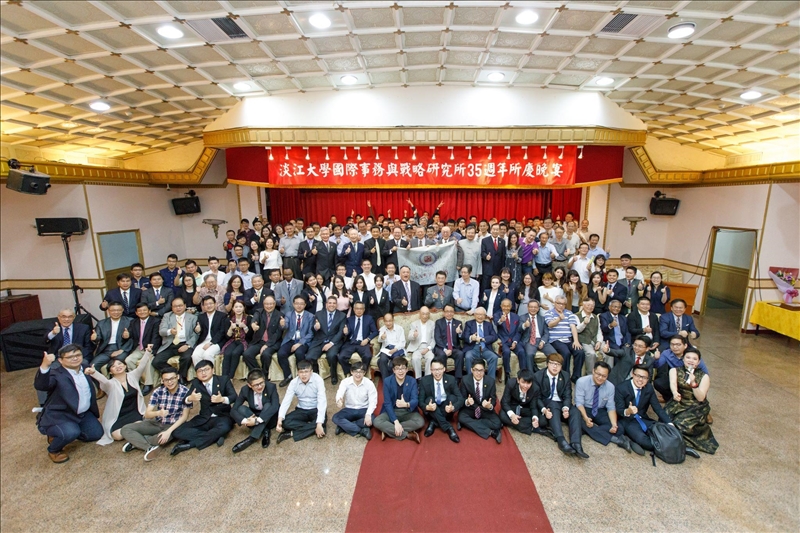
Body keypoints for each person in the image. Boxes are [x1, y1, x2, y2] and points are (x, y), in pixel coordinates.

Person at [35, 346, 103, 463]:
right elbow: (41, 386)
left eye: (78, 355)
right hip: (61, 415)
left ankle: (66, 432)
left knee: (96, 434)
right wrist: (45, 366)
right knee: (70, 433)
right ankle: (54, 449)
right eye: (70, 357)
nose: (75, 358)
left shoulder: (85, 367)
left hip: (82, 413)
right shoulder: (56, 374)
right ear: (60, 360)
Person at [119, 367, 191, 461]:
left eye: (172, 378)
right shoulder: (158, 391)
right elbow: (147, 414)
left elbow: (184, 417)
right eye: (166, 380)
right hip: (156, 422)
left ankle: (136, 441)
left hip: (173, 426)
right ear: (162, 380)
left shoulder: (185, 392)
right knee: (125, 429)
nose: (169, 382)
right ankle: (148, 447)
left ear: (177, 377)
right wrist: (158, 413)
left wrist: (168, 431)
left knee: (160, 439)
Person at [85, 349, 153, 445]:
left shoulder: (133, 376)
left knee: (140, 425)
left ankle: (132, 439)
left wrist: (147, 352)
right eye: (113, 366)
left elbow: (142, 366)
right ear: (110, 372)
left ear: (125, 366)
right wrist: (94, 373)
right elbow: (104, 381)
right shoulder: (110, 384)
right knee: (117, 436)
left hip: (134, 412)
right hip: (118, 416)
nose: (117, 367)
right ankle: (134, 435)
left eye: (120, 364)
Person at [170, 360, 237, 455]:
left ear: (213, 370)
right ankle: (215, 436)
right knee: (177, 431)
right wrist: (190, 398)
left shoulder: (223, 379)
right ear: (196, 374)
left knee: (224, 427)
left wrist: (222, 399)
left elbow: (234, 397)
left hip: (222, 416)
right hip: (204, 417)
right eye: (200, 371)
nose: (203, 373)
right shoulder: (196, 383)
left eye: (206, 369)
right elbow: (184, 400)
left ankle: (190, 444)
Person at [665, 348, 718, 454]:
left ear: (698, 362)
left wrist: (693, 383)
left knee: (680, 425)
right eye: (688, 357)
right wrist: (675, 393)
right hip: (679, 402)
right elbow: (673, 384)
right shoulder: (674, 370)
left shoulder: (704, 376)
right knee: (666, 421)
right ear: (683, 359)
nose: (691, 360)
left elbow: (700, 398)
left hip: (695, 405)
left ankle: (682, 445)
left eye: (694, 359)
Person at [575, 361, 634, 454]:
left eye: (604, 376)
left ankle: (591, 430)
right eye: (598, 374)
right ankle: (616, 440)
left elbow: (611, 407)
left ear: (607, 376)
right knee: (577, 420)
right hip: (584, 408)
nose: (600, 378)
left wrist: (614, 424)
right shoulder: (581, 381)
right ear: (593, 371)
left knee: (619, 428)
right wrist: (586, 418)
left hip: (599, 410)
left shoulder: (610, 387)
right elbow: (579, 403)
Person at [533, 354, 585, 456]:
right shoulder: (538, 376)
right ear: (547, 364)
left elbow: (567, 395)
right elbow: (537, 397)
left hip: (561, 403)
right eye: (552, 363)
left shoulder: (565, 376)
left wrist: (566, 408)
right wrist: (544, 410)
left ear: (561, 366)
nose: (555, 366)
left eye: (558, 364)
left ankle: (576, 443)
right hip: (548, 403)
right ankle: (561, 440)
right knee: (553, 405)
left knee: (575, 411)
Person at [615, 364, 672, 456]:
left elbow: (657, 408)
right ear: (632, 374)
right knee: (646, 442)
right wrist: (628, 411)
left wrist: (669, 423)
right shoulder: (621, 388)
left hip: (643, 419)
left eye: (644, 378)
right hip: (628, 421)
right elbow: (619, 410)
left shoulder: (648, 388)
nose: (641, 380)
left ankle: (673, 448)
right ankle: (631, 441)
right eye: (638, 376)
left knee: (664, 432)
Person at [373, 357, 424, 443]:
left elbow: (415, 400)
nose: (400, 371)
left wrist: (406, 404)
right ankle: (407, 434)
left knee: (420, 422)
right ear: (393, 370)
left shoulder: (412, 381)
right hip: (392, 411)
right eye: (397, 368)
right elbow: (387, 403)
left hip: (407, 411)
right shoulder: (387, 381)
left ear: (407, 369)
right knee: (377, 421)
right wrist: (396, 422)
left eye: (403, 368)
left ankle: (388, 430)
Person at [276, 360, 327, 444]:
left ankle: (292, 433)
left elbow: (322, 401)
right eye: (301, 372)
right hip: (301, 409)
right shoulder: (294, 383)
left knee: (322, 421)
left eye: (306, 372)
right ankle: (313, 428)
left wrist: (319, 423)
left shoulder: (318, 380)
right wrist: (280, 419)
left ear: (311, 372)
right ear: (297, 373)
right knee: (285, 422)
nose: (304, 375)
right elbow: (286, 401)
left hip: (316, 409)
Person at [230, 369, 280, 453]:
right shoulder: (245, 390)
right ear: (249, 385)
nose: (260, 386)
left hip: (269, 417)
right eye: (256, 385)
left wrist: (257, 421)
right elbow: (234, 409)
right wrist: (246, 421)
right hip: (255, 414)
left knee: (268, 405)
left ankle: (251, 438)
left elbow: (275, 406)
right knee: (241, 408)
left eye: (262, 383)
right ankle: (265, 430)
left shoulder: (271, 387)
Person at [153, 298, 199, 382]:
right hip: (170, 343)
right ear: (172, 307)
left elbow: (196, 334)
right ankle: (175, 374)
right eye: (175, 306)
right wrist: (169, 331)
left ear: (185, 306)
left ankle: (182, 377)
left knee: (187, 357)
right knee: (156, 362)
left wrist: (187, 345)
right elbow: (161, 331)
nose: (178, 308)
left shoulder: (193, 317)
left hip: (185, 343)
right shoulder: (167, 316)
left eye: (180, 306)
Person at [652, 335, 710, 402]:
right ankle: (671, 399)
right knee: (659, 383)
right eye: (672, 344)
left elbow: (705, 374)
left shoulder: (692, 356)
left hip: (692, 379)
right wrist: (656, 358)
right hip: (677, 377)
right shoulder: (666, 354)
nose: (675, 347)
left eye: (678, 344)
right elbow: (657, 365)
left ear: (685, 345)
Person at [458, 359, 502, 443]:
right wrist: (467, 401)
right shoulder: (465, 380)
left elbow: (493, 399)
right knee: (461, 417)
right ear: (471, 370)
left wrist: (489, 405)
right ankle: (491, 432)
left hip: (484, 409)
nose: (478, 373)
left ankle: (469, 424)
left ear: (484, 370)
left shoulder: (490, 381)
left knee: (497, 423)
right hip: (471, 408)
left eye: (481, 370)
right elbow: (461, 399)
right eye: (476, 370)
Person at [306, 296, 347, 385]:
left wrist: (331, 343)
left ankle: (333, 375)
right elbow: (313, 329)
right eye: (330, 303)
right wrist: (316, 327)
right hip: (319, 340)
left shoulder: (342, 316)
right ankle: (315, 374)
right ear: (326, 304)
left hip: (334, 341)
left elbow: (340, 332)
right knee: (309, 357)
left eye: (334, 303)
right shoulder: (318, 314)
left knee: (332, 355)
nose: (332, 305)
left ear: (336, 305)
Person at [419, 359, 463, 442]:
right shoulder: (424, 381)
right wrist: (427, 407)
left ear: (444, 369)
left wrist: (453, 407)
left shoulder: (451, 379)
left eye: (439, 369)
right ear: (431, 370)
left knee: (452, 398)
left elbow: (460, 399)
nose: (437, 372)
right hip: (432, 411)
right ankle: (448, 427)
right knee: (429, 399)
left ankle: (434, 422)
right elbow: (420, 401)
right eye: (434, 370)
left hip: (446, 411)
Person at [544, 296, 585, 383]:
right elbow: (550, 324)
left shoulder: (569, 313)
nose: (561, 306)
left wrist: (576, 341)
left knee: (580, 352)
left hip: (569, 339)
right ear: (555, 303)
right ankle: (565, 376)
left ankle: (576, 376)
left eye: (563, 304)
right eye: (559, 303)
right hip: (556, 339)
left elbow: (573, 327)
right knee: (566, 353)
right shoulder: (549, 313)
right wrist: (559, 318)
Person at [277, 296, 315, 387]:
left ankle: (301, 376)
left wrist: (300, 343)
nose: (299, 306)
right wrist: (282, 324)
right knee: (281, 353)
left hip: (303, 341)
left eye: (301, 304)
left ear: (305, 305)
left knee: (299, 353)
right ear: (293, 304)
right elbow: (285, 326)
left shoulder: (310, 316)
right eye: (297, 303)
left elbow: (311, 334)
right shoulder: (289, 314)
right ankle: (288, 376)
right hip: (291, 339)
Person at [332, 362, 378, 440]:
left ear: (364, 373)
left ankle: (344, 427)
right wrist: (339, 400)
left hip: (363, 409)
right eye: (356, 371)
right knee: (335, 418)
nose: (358, 374)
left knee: (373, 419)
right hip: (349, 409)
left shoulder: (369, 383)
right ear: (351, 372)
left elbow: (373, 401)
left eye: (361, 372)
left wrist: (368, 414)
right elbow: (340, 393)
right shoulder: (345, 382)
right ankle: (362, 430)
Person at [242, 295, 284, 375]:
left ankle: (265, 374)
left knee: (266, 354)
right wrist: (253, 324)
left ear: (275, 304)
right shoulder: (259, 312)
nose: (269, 306)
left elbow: (278, 334)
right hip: (259, 341)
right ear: (263, 304)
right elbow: (254, 319)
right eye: (266, 304)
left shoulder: (280, 315)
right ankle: (258, 373)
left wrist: (267, 345)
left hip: (273, 342)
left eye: (271, 304)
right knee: (247, 354)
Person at [91, 302, 134, 373]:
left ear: (122, 310)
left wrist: (122, 349)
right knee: (93, 366)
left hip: (122, 348)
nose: (116, 312)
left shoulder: (130, 321)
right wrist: (94, 338)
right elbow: (97, 337)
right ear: (108, 310)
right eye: (113, 310)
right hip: (106, 350)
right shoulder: (101, 323)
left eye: (118, 310)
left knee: (116, 363)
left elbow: (134, 338)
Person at [339, 301, 378, 376]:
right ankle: (351, 372)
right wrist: (346, 332)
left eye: (361, 309)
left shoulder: (369, 319)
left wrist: (367, 339)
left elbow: (375, 331)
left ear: (364, 309)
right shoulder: (349, 319)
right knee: (341, 357)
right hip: (350, 342)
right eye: (357, 308)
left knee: (367, 356)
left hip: (363, 342)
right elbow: (347, 332)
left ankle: (362, 373)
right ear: (354, 309)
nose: (359, 310)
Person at [500, 369, 543, 436]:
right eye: (523, 382)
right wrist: (512, 415)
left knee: (542, 420)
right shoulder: (511, 383)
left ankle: (515, 424)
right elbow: (504, 402)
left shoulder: (535, 388)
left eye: (528, 383)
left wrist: (534, 419)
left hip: (525, 408)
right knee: (502, 415)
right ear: (518, 380)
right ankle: (530, 428)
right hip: (513, 407)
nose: (525, 386)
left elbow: (533, 407)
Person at [191, 295, 228, 368]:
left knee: (207, 354)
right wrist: (197, 330)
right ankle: (200, 373)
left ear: (215, 304)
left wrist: (211, 343)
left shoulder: (222, 316)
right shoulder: (201, 317)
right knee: (195, 355)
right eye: (206, 304)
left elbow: (222, 332)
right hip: (203, 341)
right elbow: (198, 330)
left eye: (210, 303)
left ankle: (211, 373)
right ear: (203, 306)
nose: (208, 306)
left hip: (216, 342)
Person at [519, 299, 557, 371]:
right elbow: (519, 329)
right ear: (527, 307)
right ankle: (531, 374)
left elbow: (546, 333)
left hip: (541, 340)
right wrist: (524, 325)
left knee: (554, 355)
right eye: (531, 307)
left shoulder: (542, 318)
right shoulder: (522, 317)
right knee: (529, 354)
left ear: (538, 308)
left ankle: (549, 372)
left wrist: (543, 341)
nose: (533, 309)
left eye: (535, 307)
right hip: (529, 341)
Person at [462, 308, 499, 381]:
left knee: (494, 357)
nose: (480, 316)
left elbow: (494, 336)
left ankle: (490, 381)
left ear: (485, 316)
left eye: (482, 314)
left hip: (485, 348)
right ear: (474, 315)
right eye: (478, 314)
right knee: (468, 357)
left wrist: (484, 339)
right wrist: (471, 338)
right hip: (473, 348)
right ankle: (470, 380)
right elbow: (465, 336)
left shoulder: (488, 324)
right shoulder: (469, 324)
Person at [576, 297, 610, 374]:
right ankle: (590, 374)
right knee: (591, 354)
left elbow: (599, 331)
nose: (590, 307)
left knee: (608, 352)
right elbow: (577, 330)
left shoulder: (595, 317)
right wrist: (584, 323)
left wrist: (599, 341)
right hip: (584, 341)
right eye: (588, 305)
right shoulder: (576, 316)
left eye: (592, 305)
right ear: (583, 305)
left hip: (595, 340)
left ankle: (607, 374)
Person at [494, 298, 525, 381]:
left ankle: (523, 373)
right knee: (506, 352)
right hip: (503, 341)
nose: (506, 308)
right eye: (504, 306)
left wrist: (515, 341)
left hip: (514, 340)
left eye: (508, 306)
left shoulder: (516, 316)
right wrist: (501, 320)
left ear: (511, 307)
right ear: (501, 306)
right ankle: (507, 374)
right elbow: (496, 323)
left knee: (521, 351)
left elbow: (518, 331)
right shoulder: (497, 315)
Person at [220, 301, 251, 381]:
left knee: (235, 353)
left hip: (244, 341)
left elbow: (251, 336)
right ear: (233, 308)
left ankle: (230, 377)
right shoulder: (228, 319)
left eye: (240, 307)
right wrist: (231, 328)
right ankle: (224, 378)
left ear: (244, 308)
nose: (238, 309)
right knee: (227, 353)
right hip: (232, 340)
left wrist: (244, 327)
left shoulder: (248, 318)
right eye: (236, 307)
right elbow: (227, 336)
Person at [433, 304, 465, 379]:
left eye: (451, 311)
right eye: (447, 311)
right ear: (443, 313)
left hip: (454, 348)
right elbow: (437, 338)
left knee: (460, 354)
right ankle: (442, 378)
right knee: (442, 355)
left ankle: (458, 379)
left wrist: (460, 333)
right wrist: (445, 349)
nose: (449, 313)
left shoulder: (458, 323)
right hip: (442, 348)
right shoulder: (438, 322)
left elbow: (462, 338)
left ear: (454, 313)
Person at [406, 306, 436, 378]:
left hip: (428, 347)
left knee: (430, 358)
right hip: (417, 347)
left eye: (426, 314)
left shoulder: (432, 324)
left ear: (429, 314)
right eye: (423, 314)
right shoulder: (414, 324)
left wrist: (428, 348)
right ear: (419, 314)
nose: (425, 316)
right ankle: (418, 379)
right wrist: (414, 335)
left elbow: (434, 339)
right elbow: (409, 337)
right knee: (415, 358)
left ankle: (427, 379)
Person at [376, 312, 406, 379]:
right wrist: (382, 337)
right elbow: (379, 340)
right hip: (386, 350)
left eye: (390, 321)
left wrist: (395, 349)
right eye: (386, 321)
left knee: (393, 363)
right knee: (382, 360)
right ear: (384, 321)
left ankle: (393, 380)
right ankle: (386, 380)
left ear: (393, 320)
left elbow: (402, 343)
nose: (388, 323)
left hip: (397, 349)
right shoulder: (382, 329)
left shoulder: (399, 329)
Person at [480, 223, 506, 291]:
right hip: (488, 269)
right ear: (491, 230)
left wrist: (502, 269)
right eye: (494, 229)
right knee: (485, 288)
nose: (495, 231)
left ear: (499, 231)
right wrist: (486, 256)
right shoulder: (485, 240)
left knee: (496, 288)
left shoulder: (502, 241)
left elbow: (503, 256)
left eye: (497, 230)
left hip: (498, 270)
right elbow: (482, 252)